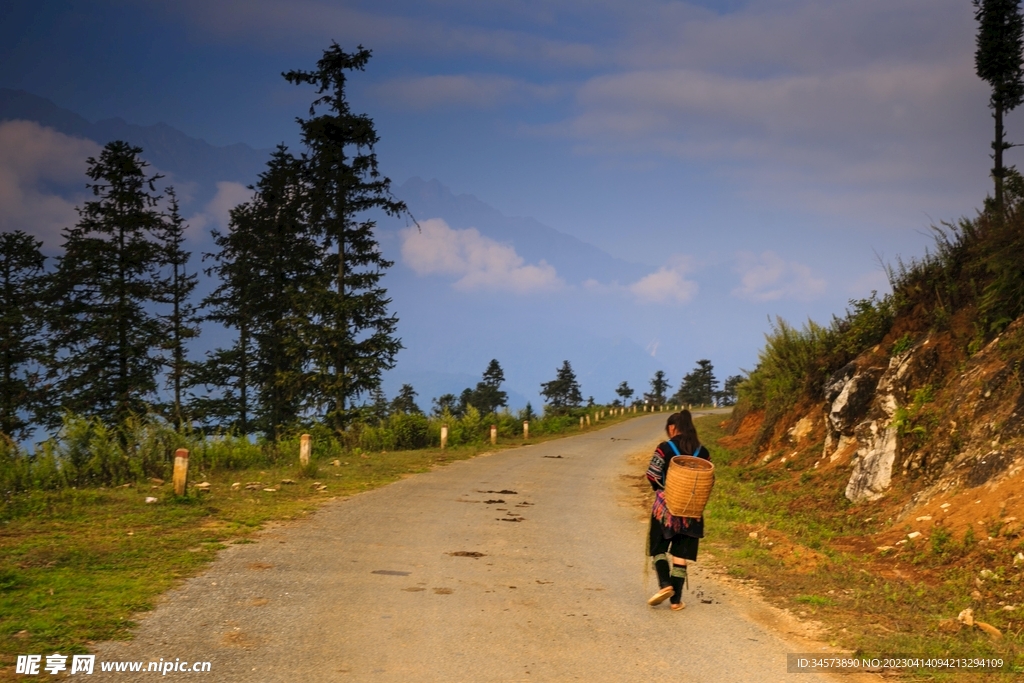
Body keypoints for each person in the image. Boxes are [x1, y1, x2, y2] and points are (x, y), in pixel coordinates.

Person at [645, 410, 710, 610]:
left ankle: (665, 584)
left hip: (666, 509)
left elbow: (652, 475)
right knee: (680, 553)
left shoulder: (665, 448)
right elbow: (709, 479)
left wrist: (662, 490)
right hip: (692, 510)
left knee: (659, 548)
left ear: (673, 428)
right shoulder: (703, 451)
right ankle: (676, 601)